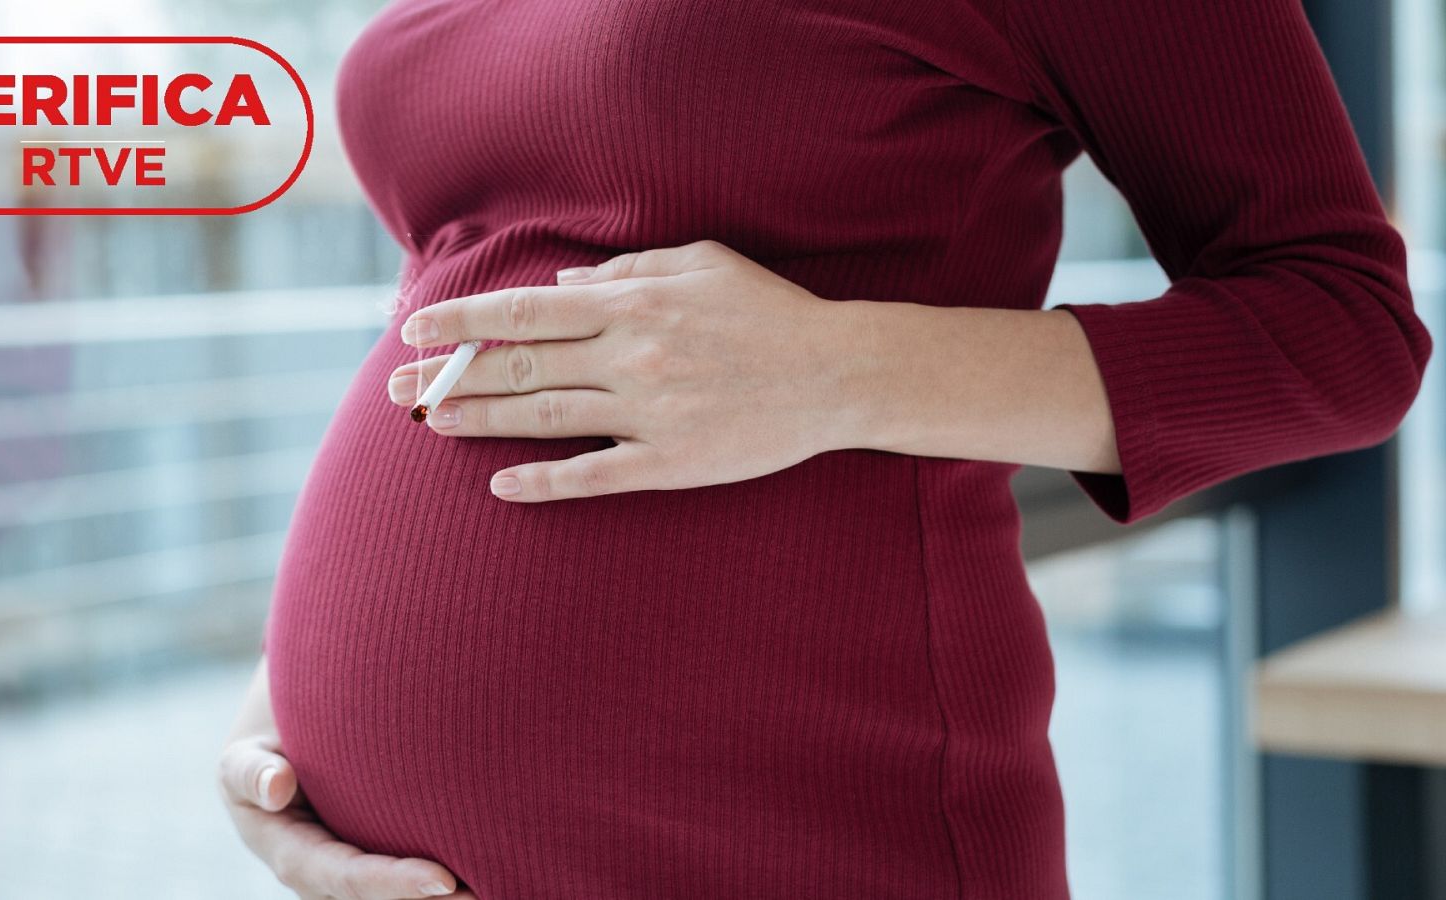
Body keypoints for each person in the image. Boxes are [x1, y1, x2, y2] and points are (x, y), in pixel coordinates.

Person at [218, 0, 1433, 896]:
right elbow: (483, 273)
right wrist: (306, 712)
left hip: (805, 833)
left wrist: (831, 371)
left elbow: (1344, 330)